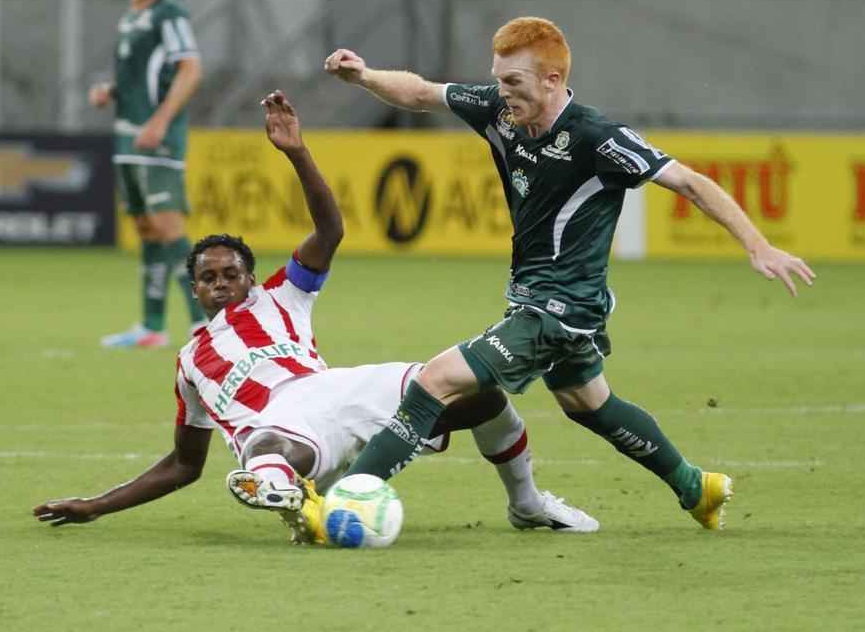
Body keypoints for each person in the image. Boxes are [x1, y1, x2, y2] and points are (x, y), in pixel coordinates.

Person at [33, 90, 598, 543]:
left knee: (482, 394)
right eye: (209, 277)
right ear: (196, 290)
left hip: (335, 388)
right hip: (282, 423)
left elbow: (330, 230)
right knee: (267, 446)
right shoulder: (188, 364)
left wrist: (297, 153)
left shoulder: (281, 296)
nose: (222, 283)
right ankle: (279, 486)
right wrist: (94, 506)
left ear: (251, 278)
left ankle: (526, 505)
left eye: (232, 273)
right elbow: (183, 465)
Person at [323, 17, 816, 530]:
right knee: (589, 403)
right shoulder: (500, 112)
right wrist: (364, 77)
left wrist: (757, 245)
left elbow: (690, 182)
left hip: (560, 310)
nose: (502, 92)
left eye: (514, 82)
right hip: (537, 299)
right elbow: (424, 93)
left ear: (552, 80)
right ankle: (696, 488)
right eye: (498, 79)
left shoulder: (598, 138)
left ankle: (350, 501)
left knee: (435, 380)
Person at [92, 0, 206, 349]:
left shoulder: (169, 14)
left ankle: (202, 323)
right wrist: (110, 90)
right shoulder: (130, 18)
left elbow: (190, 70)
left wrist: (160, 121)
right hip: (127, 136)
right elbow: (142, 77)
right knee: (145, 228)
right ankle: (152, 326)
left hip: (156, 139)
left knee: (168, 225)